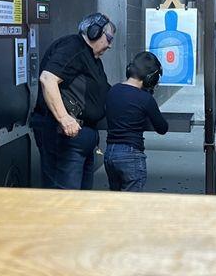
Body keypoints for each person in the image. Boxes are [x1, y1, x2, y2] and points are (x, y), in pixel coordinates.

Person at [31, 12, 116, 190]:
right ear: (94, 32)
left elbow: (103, 90)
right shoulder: (72, 47)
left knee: (79, 199)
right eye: (108, 38)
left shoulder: (92, 57)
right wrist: (64, 118)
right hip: (64, 137)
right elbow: (48, 79)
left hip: (81, 138)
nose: (109, 45)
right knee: (63, 199)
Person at [104, 51, 168, 192]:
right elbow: (162, 128)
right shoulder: (145, 98)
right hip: (131, 154)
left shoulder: (113, 90)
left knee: (116, 202)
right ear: (150, 78)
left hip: (110, 153)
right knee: (132, 205)